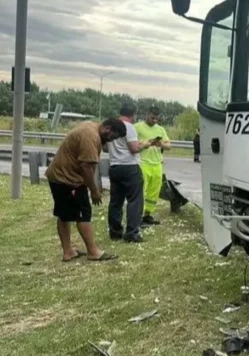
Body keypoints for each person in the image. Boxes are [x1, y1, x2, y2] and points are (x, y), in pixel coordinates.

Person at [45, 118, 126, 262]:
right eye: (113, 137)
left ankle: (68, 251)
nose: (112, 141)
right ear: (107, 129)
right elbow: (86, 167)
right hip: (69, 180)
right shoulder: (91, 137)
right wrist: (93, 190)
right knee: (83, 214)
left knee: (64, 215)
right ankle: (93, 252)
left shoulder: (90, 126)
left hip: (57, 176)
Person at [107, 103, 148, 243]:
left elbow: (106, 148)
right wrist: (144, 145)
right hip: (130, 167)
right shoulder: (129, 127)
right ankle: (132, 233)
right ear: (132, 115)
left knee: (116, 201)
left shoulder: (111, 126)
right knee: (134, 200)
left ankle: (115, 231)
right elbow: (134, 148)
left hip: (114, 166)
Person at [134, 107, 171, 225]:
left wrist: (160, 144)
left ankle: (147, 214)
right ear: (146, 114)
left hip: (157, 164)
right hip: (143, 163)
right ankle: (137, 216)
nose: (154, 120)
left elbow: (169, 146)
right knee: (141, 191)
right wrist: (145, 143)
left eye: (157, 118)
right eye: (152, 117)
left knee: (154, 191)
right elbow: (132, 143)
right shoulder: (137, 127)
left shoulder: (160, 129)